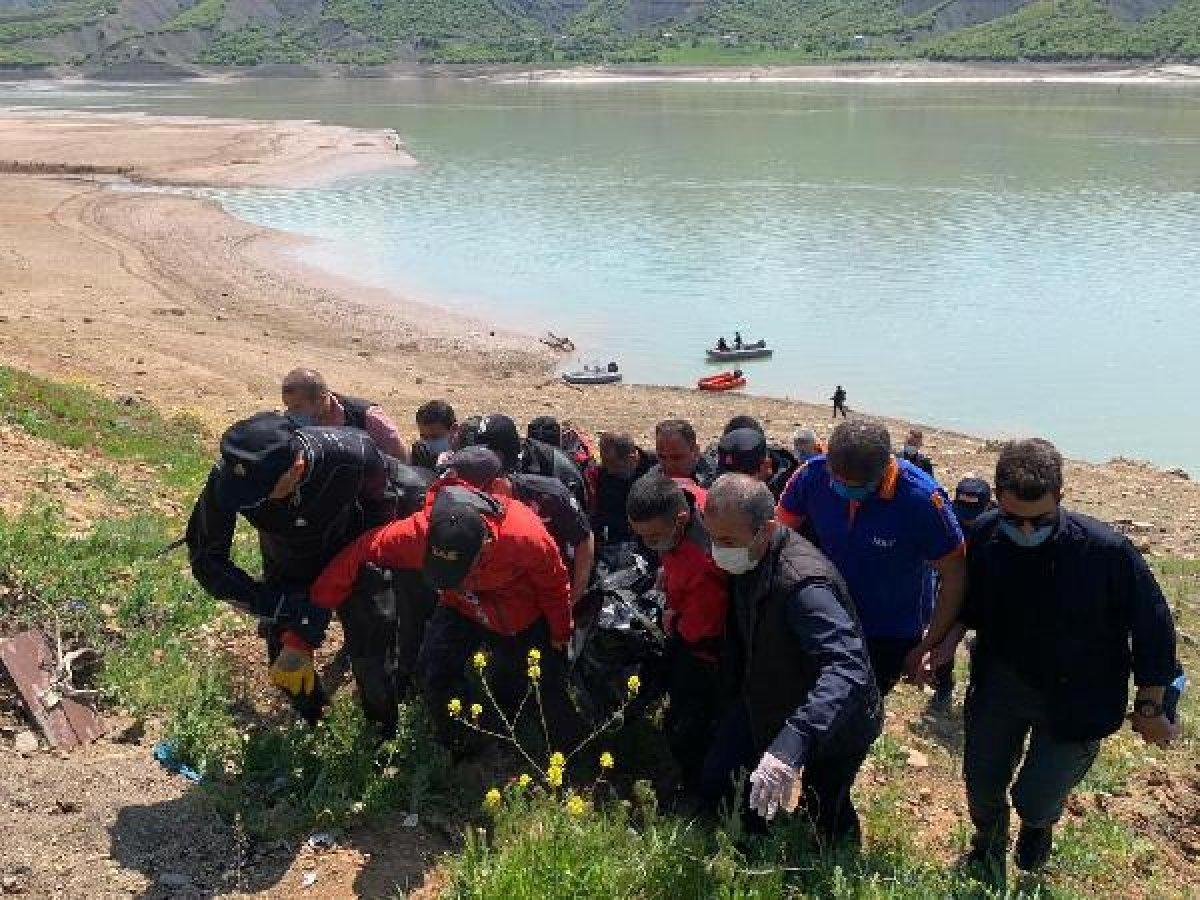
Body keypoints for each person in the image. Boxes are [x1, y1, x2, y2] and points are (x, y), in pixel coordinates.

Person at [937, 439, 1181, 887]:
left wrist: (1152, 705)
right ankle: (987, 845)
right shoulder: (988, 535)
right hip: (1002, 685)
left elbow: (1153, 626)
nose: (1026, 531)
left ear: (1061, 499)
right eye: (1015, 519)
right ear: (998, 499)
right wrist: (948, 637)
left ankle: (1037, 825)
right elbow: (972, 602)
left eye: (1040, 520)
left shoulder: (1107, 552)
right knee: (982, 782)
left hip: (1080, 696)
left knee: (1036, 795)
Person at [185, 413, 431, 733]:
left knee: (373, 656)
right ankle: (317, 723)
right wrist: (273, 605)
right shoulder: (229, 478)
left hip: (353, 550)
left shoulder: (351, 454)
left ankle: (381, 733)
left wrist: (348, 575)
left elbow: (382, 515)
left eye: (258, 496)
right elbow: (206, 558)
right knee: (286, 666)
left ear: (297, 468)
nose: (247, 503)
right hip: (287, 560)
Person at [309, 483, 584, 752]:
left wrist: (560, 632)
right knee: (432, 672)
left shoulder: (526, 537)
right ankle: (461, 745)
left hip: (518, 615)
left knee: (542, 686)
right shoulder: (418, 533)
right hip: (460, 606)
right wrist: (305, 630)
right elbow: (360, 552)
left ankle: (574, 753)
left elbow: (554, 586)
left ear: (485, 545)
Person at [700, 475, 883, 846]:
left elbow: (847, 668)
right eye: (713, 538)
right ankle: (750, 843)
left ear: (766, 530)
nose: (718, 551)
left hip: (836, 718)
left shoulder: (803, 585)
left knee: (823, 807)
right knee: (720, 776)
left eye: (728, 542)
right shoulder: (750, 558)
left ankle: (832, 857)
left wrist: (793, 741)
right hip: (769, 694)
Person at [776, 421, 966, 697]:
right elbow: (778, 536)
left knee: (860, 710)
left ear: (883, 472)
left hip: (888, 630)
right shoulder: (811, 475)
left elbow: (954, 574)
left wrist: (927, 645)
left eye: (855, 487)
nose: (842, 490)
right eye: (836, 481)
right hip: (824, 611)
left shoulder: (921, 500)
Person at [626, 473, 729, 793]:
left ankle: (698, 786)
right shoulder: (685, 495)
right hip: (690, 612)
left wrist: (671, 619)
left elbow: (700, 629)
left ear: (680, 520)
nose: (649, 545)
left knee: (689, 722)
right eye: (641, 536)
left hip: (706, 653)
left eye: (654, 537)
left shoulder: (703, 562)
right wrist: (666, 571)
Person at [444, 446, 595, 609]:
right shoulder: (472, 504)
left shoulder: (549, 495)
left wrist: (574, 597)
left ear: (496, 486)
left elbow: (584, 539)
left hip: (553, 585)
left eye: (470, 493)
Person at [281, 368, 408, 462]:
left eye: (297, 407)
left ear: (320, 399)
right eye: (288, 407)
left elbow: (403, 461)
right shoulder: (294, 422)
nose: (291, 413)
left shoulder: (367, 418)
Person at [474, 413, 587, 511]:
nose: (481, 459)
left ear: (502, 454)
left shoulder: (553, 463)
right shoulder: (477, 465)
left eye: (487, 454)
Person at [592, 431, 657, 546]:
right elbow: (600, 514)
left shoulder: (656, 467)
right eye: (605, 463)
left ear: (632, 458)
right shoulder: (604, 474)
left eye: (615, 466)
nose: (610, 471)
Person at [711, 417, 798, 499]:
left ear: (766, 465)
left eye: (743, 471)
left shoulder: (791, 482)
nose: (735, 481)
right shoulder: (712, 469)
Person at [653, 418, 716, 487]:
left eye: (676, 458)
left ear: (695, 452)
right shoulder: (652, 476)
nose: (669, 465)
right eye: (662, 457)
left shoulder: (714, 482)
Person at [411, 400, 457, 470]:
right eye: (424, 437)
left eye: (435, 437)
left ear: (454, 429)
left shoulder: (468, 457)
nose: (428, 444)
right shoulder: (421, 455)